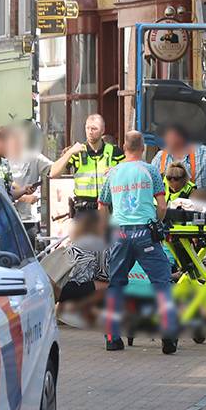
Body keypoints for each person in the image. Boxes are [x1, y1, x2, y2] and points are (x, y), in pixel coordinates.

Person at [98, 130, 178, 354]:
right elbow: (162, 206)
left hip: (120, 234)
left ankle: (113, 338)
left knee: (116, 285)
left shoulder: (113, 173)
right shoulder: (150, 170)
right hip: (145, 233)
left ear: (124, 147)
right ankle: (168, 335)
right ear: (142, 148)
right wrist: (157, 224)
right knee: (162, 282)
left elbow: (102, 206)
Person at [51, 113, 124, 210]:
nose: (90, 132)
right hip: (83, 209)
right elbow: (53, 174)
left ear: (103, 130)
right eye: (87, 128)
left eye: (94, 129)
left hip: (109, 208)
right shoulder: (77, 152)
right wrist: (69, 153)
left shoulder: (115, 152)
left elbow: (129, 176)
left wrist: (118, 171)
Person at [57, 208, 108, 328]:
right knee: (112, 286)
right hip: (79, 288)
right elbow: (105, 274)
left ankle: (63, 311)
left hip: (63, 286)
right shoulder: (100, 245)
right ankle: (78, 309)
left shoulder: (73, 243)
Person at [5, 122, 53, 233]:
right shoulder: (2, 160)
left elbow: (53, 169)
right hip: (6, 219)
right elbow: (3, 186)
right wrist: (24, 197)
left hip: (28, 220)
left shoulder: (33, 158)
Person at [151, 124, 206, 193]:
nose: (165, 138)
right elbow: (151, 182)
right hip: (168, 205)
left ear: (180, 136)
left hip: (198, 204)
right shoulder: (160, 157)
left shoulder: (201, 152)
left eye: (168, 135)